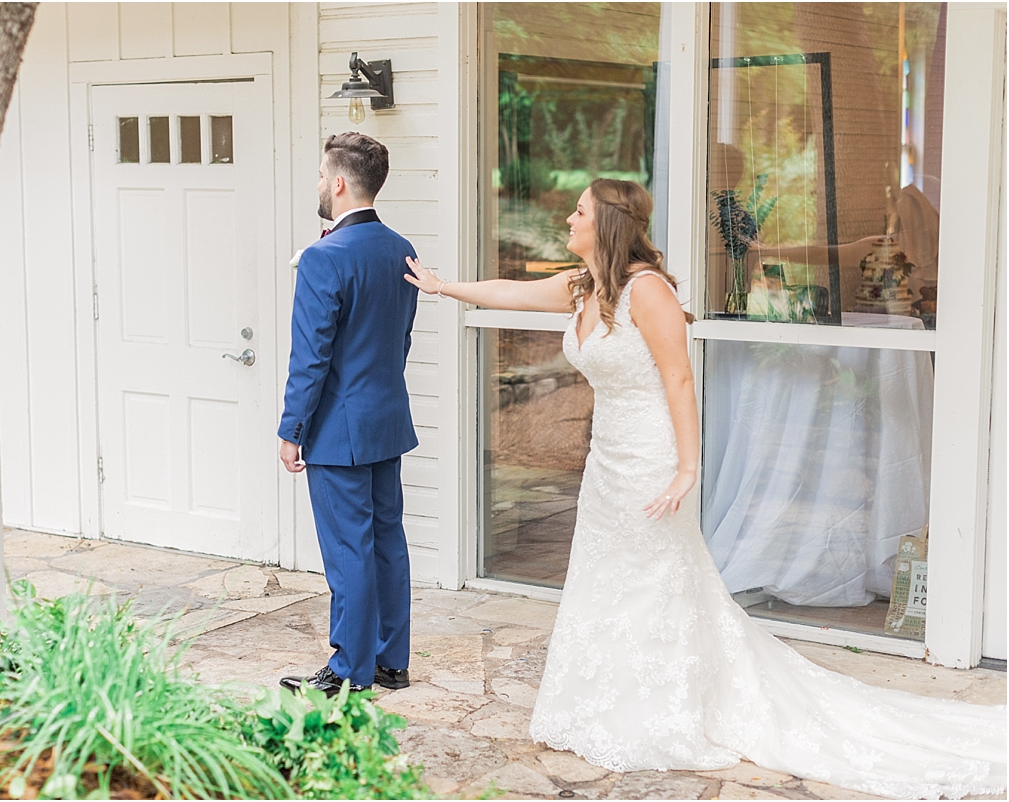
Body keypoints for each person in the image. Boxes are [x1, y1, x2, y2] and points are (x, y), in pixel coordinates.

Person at [403, 178, 1005, 799]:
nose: (567, 218)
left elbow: (679, 381)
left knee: (654, 577)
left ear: (605, 223)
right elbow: (516, 292)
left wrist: (687, 469)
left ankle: (666, 706)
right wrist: (443, 287)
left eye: (578, 211)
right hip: (607, 459)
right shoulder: (585, 286)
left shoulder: (648, 291)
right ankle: (602, 701)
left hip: (651, 457)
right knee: (606, 577)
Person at [277, 132, 418, 698]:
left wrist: (292, 429)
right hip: (386, 416)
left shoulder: (323, 258)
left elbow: (310, 358)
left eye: (319, 175)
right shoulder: (402, 248)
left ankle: (348, 669)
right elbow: (398, 340)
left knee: (347, 550)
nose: (316, 184)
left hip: (338, 428)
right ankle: (390, 662)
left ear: (338, 182)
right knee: (387, 540)